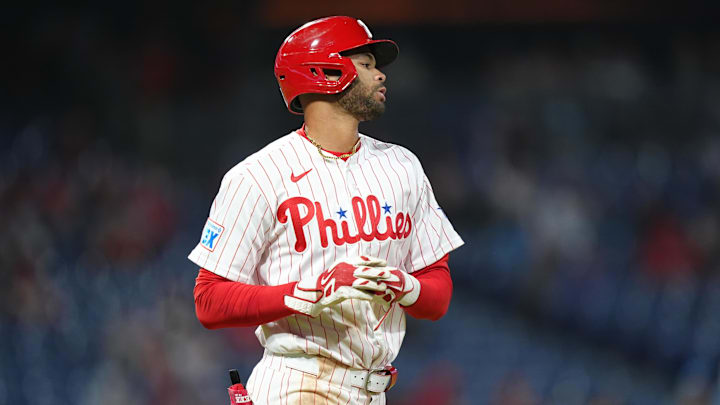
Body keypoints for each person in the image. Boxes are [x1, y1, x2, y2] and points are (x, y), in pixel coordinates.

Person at [188, 16, 464, 404]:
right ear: (324, 70)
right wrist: (301, 294)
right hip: (296, 383)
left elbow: (438, 295)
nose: (380, 75)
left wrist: (405, 286)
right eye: (366, 64)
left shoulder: (403, 166)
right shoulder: (258, 176)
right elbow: (209, 301)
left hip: (375, 389)